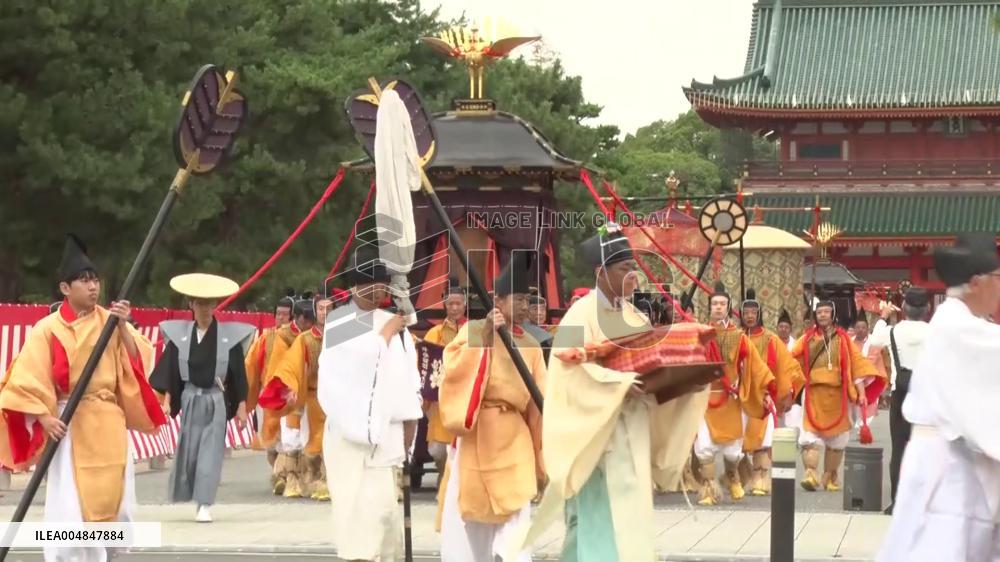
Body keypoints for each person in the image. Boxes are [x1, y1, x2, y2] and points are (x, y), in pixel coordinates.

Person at [509, 227, 708, 561]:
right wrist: (622, 384)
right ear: (601, 273)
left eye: (634, 269)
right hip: (597, 433)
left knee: (629, 519)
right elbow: (568, 368)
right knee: (595, 519)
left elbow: (651, 363)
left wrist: (683, 379)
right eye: (623, 269)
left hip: (631, 427)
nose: (632, 277)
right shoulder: (578, 314)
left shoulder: (635, 316)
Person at [0, 234, 165, 562]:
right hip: (69, 422)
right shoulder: (47, 329)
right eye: (84, 281)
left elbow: (138, 361)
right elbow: (25, 380)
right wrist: (45, 418)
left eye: (95, 280)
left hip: (107, 419)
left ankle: (108, 553)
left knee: (112, 498)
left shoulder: (110, 321)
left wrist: (121, 327)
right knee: (71, 501)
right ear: (65, 288)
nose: (93, 287)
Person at [877, 233, 1000, 562]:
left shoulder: (960, 323)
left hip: (951, 458)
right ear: (978, 282)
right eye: (998, 278)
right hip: (946, 465)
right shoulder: (958, 327)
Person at [438, 251, 546, 562]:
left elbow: (540, 402)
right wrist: (486, 336)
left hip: (514, 435)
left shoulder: (532, 345)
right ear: (497, 300)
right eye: (519, 300)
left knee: (518, 508)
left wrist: (545, 454)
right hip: (477, 432)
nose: (525, 307)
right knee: (474, 521)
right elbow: (454, 371)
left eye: (528, 301)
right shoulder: (472, 331)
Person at [318, 246, 423, 562]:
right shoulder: (340, 321)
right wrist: (386, 334)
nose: (378, 289)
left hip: (388, 438)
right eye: (369, 283)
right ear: (354, 286)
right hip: (349, 438)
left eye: (381, 283)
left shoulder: (393, 322)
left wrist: (410, 427)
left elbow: (406, 379)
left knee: (385, 519)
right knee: (356, 521)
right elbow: (353, 371)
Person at [150, 273, 254, 523]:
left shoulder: (228, 336)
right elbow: (172, 372)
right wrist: (166, 400)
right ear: (191, 305)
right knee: (190, 451)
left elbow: (238, 373)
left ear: (215, 305)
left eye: (209, 304)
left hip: (216, 399)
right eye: (200, 303)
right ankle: (191, 495)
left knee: (211, 451)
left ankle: (204, 504)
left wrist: (241, 407)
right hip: (189, 398)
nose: (205, 309)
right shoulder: (180, 336)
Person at [791, 298, 884, 492]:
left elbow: (856, 368)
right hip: (814, 395)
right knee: (809, 436)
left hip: (838, 396)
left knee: (837, 439)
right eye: (819, 312)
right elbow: (792, 361)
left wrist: (861, 393)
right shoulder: (806, 339)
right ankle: (810, 473)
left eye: (826, 311)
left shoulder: (843, 339)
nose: (822, 315)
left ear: (832, 314)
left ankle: (830, 476)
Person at [694, 283, 775, 506]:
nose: (718, 308)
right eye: (714, 304)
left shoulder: (739, 336)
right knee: (704, 446)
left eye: (722, 304)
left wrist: (767, 389)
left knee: (732, 451)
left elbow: (756, 366)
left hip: (731, 399)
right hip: (706, 399)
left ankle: (732, 476)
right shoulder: (701, 334)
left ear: (729, 308)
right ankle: (709, 490)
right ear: (709, 308)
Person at [258, 297, 333, 501]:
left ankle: (324, 481)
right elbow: (291, 366)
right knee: (294, 438)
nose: (324, 313)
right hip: (304, 395)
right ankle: (291, 478)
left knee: (327, 440)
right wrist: (288, 388)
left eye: (329, 309)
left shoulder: (339, 338)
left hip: (331, 397)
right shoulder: (303, 339)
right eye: (321, 308)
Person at [868, 287, 930, 515]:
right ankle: (923, 503)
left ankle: (897, 502)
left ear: (903, 308)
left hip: (900, 393)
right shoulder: (934, 333)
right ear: (927, 309)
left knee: (899, 449)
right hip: (926, 395)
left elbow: (874, 339)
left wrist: (883, 316)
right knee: (926, 450)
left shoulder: (893, 332)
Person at [740, 290, 805, 497]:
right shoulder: (736, 337)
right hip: (739, 397)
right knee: (739, 441)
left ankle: (761, 478)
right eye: (746, 312)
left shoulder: (770, 339)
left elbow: (789, 365)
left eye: (753, 312)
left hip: (763, 397)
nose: (750, 316)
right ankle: (743, 477)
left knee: (762, 440)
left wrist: (788, 391)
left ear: (759, 314)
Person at [422, 281, 467, 488]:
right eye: (451, 304)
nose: (455, 308)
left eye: (458, 304)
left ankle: (456, 482)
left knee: (462, 444)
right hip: (440, 398)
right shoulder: (435, 333)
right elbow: (425, 364)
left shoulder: (473, 331)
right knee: (438, 448)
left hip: (464, 396)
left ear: (464, 305)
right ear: (445, 306)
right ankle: (443, 475)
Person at [244, 290, 295, 469]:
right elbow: (251, 364)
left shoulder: (299, 338)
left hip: (290, 394)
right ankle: (278, 471)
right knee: (270, 442)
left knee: (288, 439)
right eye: (278, 313)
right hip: (267, 394)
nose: (280, 317)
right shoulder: (266, 337)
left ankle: (285, 474)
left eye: (285, 314)